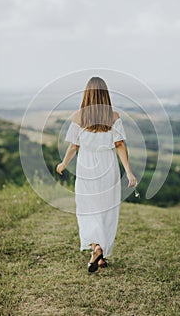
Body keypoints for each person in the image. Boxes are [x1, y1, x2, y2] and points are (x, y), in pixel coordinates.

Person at [56, 77, 137, 273]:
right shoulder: (114, 117)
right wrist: (128, 171)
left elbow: (74, 145)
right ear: (105, 95)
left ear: (87, 95)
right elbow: (120, 145)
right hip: (108, 168)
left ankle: (96, 249)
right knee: (106, 210)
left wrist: (64, 163)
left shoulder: (78, 117)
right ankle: (100, 254)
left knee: (87, 210)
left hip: (86, 169)